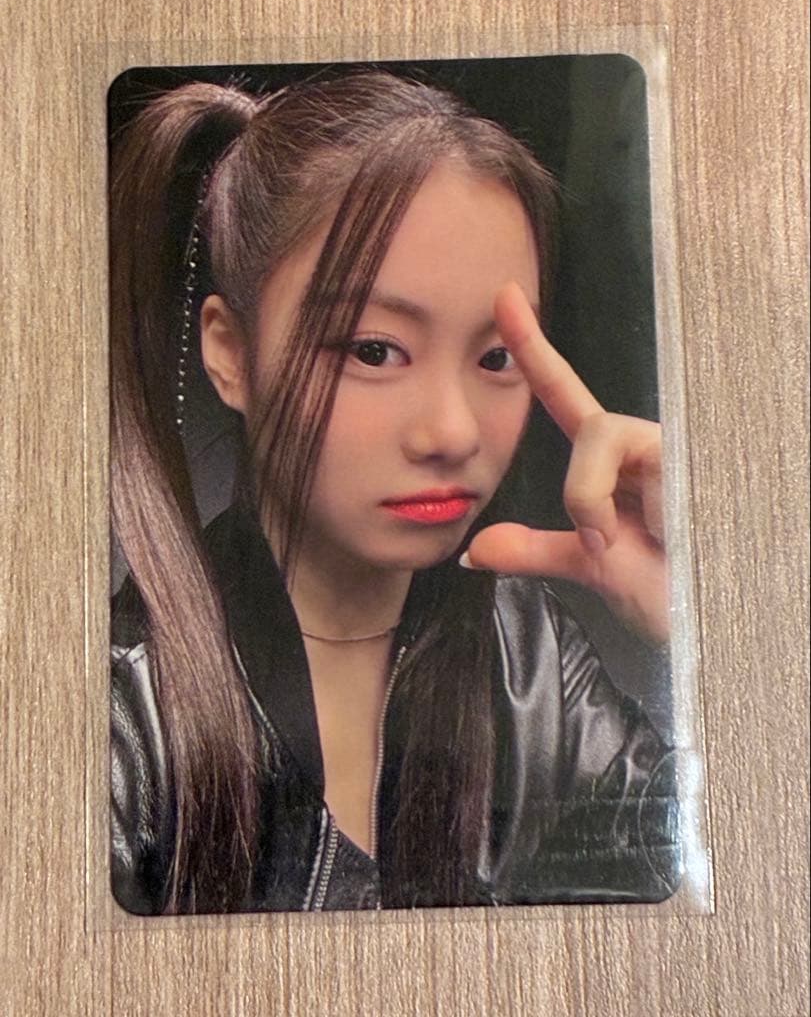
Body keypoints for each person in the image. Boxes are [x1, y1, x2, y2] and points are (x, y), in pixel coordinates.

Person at [109, 70, 680, 916]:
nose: (452, 432)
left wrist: (696, 617)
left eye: (496, 358)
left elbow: (741, 911)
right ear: (230, 352)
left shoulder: (525, 657)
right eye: (374, 350)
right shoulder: (119, 716)